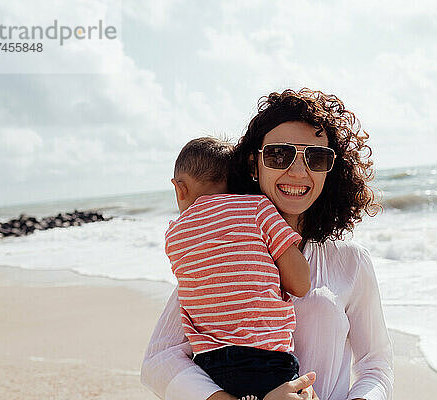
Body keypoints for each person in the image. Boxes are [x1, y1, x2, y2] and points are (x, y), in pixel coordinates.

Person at [141, 88, 394, 400]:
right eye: (279, 154)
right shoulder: (215, 250)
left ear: (332, 170)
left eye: (316, 158)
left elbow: (376, 365)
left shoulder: (351, 261)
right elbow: (159, 359)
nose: (299, 171)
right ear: (253, 164)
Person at [166, 136, 311, 400]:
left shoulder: (174, 235)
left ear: (179, 189)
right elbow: (300, 284)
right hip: (268, 361)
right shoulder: (256, 208)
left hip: (212, 369)